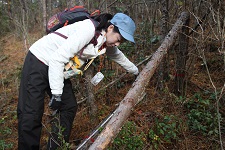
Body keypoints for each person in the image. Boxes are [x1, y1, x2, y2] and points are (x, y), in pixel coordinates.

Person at [17, 12, 139, 150]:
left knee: (68, 107)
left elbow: (119, 57)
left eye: (120, 42)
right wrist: (57, 94)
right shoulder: (88, 30)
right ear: (110, 28)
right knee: (31, 113)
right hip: (39, 61)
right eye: (118, 39)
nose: (117, 44)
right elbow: (57, 58)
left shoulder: (104, 41)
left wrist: (136, 71)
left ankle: (56, 147)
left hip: (57, 70)